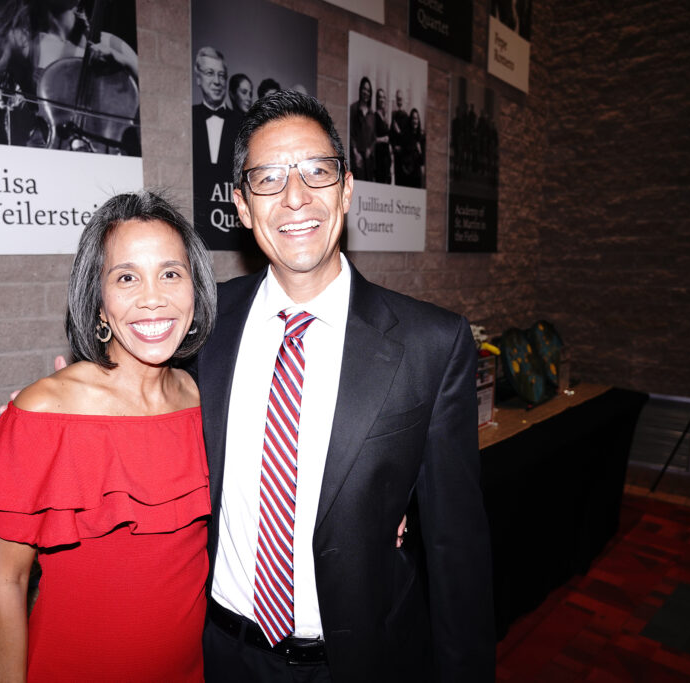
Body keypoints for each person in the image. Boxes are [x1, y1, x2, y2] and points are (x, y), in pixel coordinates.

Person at [197, 91, 495, 681]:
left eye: (317, 171)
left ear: (347, 190)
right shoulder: (202, 325)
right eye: (268, 178)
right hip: (222, 656)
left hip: (360, 663)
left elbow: (455, 546)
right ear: (242, 206)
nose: (295, 196)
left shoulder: (430, 344)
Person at [0, 190, 217, 682]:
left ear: (196, 290)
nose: (153, 297)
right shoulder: (43, 412)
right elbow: (6, 583)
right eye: (126, 277)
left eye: (171, 273)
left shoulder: (205, 401)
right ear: (98, 303)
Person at [0, 0, 139, 151]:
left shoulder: (112, 44)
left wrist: (127, 64)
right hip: (52, 154)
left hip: (108, 157)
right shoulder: (21, 41)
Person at [191, 46, 243, 248]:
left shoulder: (242, 122)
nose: (217, 81)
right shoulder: (188, 117)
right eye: (210, 73)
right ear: (198, 78)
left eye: (222, 75)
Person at [348, 76, 376, 181]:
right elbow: (350, 133)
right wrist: (356, 153)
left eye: (368, 91)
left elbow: (373, 137)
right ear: (360, 90)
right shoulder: (353, 109)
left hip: (368, 160)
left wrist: (370, 149)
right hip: (356, 157)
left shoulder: (372, 114)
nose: (366, 93)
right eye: (364, 89)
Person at [398, 108, 426, 188]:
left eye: (416, 118)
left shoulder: (421, 138)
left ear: (418, 120)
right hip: (406, 175)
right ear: (410, 120)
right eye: (413, 118)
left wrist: (419, 150)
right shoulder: (406, 136)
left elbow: (422, 161)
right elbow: (402, 155)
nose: (415, 121)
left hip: (416, 176)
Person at [372, 87, 392, 183]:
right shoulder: (374, 116)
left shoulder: (386, 116)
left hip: (386, 154)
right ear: (377, 99)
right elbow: (372, 138)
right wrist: (383, 139)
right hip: (379, 154)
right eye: (380, 97)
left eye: (383, 97)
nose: (382, 99)